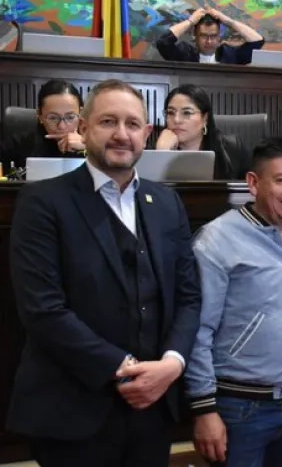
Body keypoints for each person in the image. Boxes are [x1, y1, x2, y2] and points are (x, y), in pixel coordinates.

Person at [5, 79, 202, 467]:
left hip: (152, 410)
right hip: (74, 412)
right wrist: (126, 370)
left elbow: (189, 296)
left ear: (147, 134)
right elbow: (43, 310)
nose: (121, 134)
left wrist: (171, 365)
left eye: (132, 124)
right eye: (108, 121)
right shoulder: (41, 202)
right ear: (82, 127)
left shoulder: (167, 202)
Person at [186, 138, 282, 467]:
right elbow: (196, 330)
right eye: (281, 180)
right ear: (253, 183)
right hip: (240, 409)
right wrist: (204, 409)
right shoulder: (217, 240)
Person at [155, 84, 249, 179]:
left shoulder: (231, 149)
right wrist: (161, 154)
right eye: (170, 112)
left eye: (187, 113)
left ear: (205, 118)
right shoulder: (158, 147)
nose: (176, 120)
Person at [1, 79, 85, 174]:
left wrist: (86, 150)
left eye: (70, 117)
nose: (62, 126)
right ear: (39, 115)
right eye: (53, 118)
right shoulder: (16, 144)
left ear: (81, 113)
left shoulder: (93, 144)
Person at [155, 8, 264, 65]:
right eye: (203, 36)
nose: (209, 41)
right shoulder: (185, 53)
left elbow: (257, 41)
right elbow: (162, 42)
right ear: (195, 36)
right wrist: (190, 21)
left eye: (213, 36)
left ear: (219, 36)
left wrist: (228, 21)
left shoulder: (229, 54)